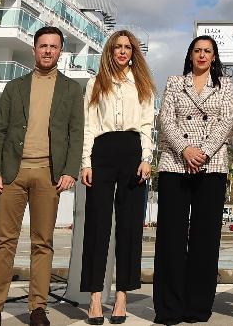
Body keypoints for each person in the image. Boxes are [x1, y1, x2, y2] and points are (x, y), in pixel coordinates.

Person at [0, 26, 83, 326]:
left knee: (42, 243)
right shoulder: (15, 87)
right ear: (34, 49)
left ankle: (38, 308)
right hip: (12, 174)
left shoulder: (72, 90)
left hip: (49, 175)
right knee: (4, 241)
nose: (48, 51)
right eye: (43, 45)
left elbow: (76, 133)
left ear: (60, 51)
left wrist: (70, 171)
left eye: (54, 46)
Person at [153, 35, 233, 326]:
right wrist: (185, 149)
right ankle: (168, 308)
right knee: (170, 238)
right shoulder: (175, 82)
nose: (202, 55)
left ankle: (198, 306)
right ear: (190, 55)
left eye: (207, 51)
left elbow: (226, 122)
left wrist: (203, 152)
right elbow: (165, 119)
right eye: (197, 50)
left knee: (205, 238)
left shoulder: (225, 84)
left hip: (211, 165)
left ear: (214, 57)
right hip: (175, 163)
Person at [79, 30, 156, 325]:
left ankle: (122, 296)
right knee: (97, 225)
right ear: (110, 51)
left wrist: (146, 158)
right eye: (117, 47)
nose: (122, 51)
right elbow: (89, 125)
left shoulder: (143, 83)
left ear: (133, 52)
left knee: (129, 226)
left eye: (127, 47)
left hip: (132, 151)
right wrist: (86, 163)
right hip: (102, 151)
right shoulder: (95, 82)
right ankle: (95, 297)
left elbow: (147, 124)